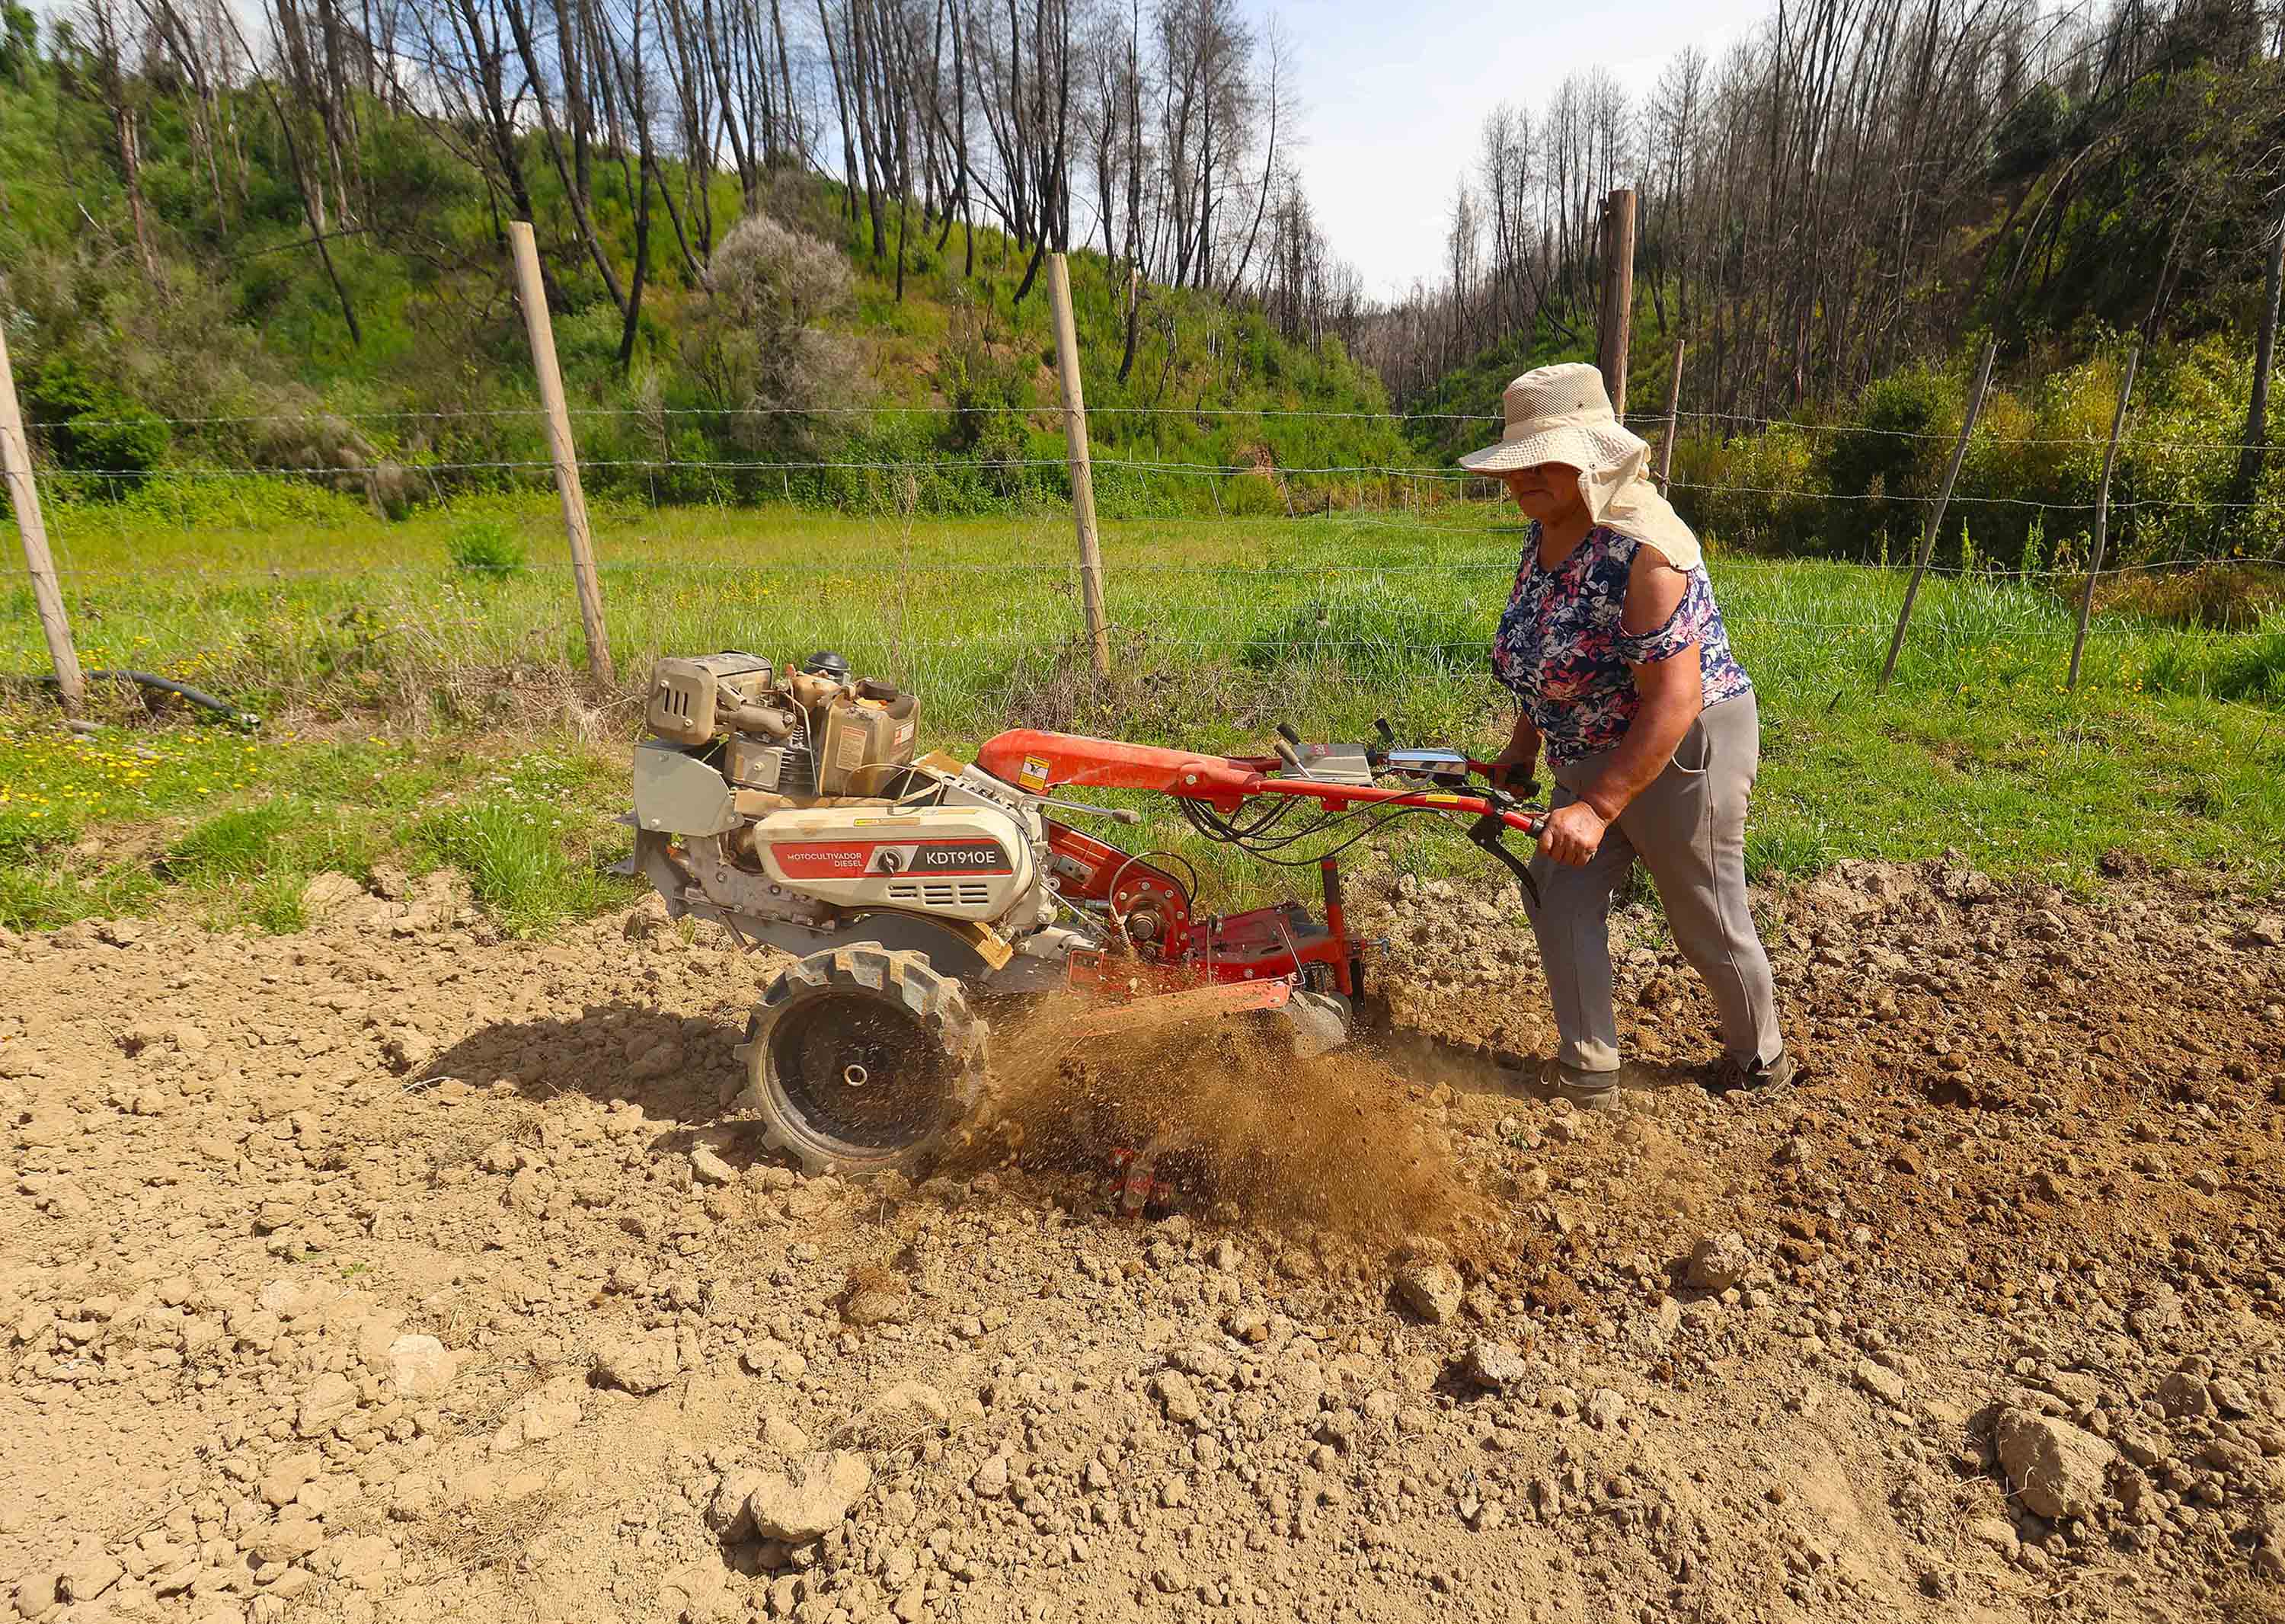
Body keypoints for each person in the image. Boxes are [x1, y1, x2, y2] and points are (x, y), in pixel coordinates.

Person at [1458, 363, 1791, 1110]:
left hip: (1683, 747)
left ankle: (1757, 1057)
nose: (1524, 478)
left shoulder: (1645, 550)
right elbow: (1549, 656)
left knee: (1701, 906)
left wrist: (1599, 807)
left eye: (1545, 460)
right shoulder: (1546, 533)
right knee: (1557, 889)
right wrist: (1526, 746)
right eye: (1518, 463)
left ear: (1592, 454)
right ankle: (1589, 1067)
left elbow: (1674, 697)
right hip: (1588, 748)